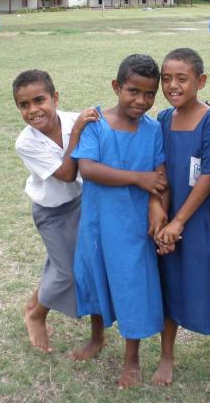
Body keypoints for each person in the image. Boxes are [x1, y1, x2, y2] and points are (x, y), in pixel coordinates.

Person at [71, 54, 169, 389]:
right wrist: (137, 179)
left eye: (149, 94)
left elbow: (159, 175)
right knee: (95, 278)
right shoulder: (95, 123)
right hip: (98, 223)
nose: (141, 101)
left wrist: (157, 203)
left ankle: (132, 358)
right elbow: (88, 169)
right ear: (116, 87)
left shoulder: (153, 129)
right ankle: (97, 336)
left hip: (133, 226)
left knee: (132, 288)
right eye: (133, 91)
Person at [152, 48, 210, 386]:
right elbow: (158, 170)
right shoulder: (162, 119)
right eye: (167, 79)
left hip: (202, 218)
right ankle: (167, 355)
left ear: (200, 81)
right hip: (169, 215)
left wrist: (179, 222)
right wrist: (161, 215)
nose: (173, 85)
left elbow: (206, 176)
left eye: (182, 79)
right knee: (169, 281)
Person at [13, 69, 105, 356]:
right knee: (67, 272)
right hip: (51, 212)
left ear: (55, 97)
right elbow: (66, 174)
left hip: (83, 203)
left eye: (39, 100)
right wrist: (77, 131)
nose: (33, 110)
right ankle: (36, 313)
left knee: (85, 265)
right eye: (24, 105)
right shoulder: (26, 142)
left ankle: (97, 334)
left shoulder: (73, 119)